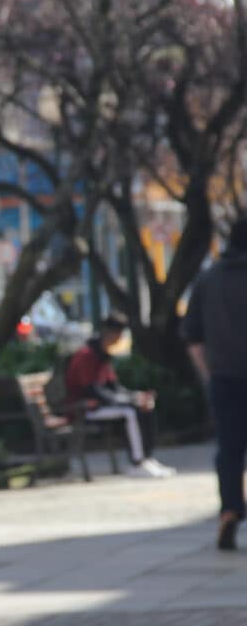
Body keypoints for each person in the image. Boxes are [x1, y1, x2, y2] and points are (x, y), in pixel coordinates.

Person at [183, 217, 247, 551]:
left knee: (230, 449)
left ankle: (230, 510)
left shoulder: (208, 280)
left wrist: (209, 374)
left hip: (224, 378)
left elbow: (193, 338)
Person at [65, 313, 175, 479]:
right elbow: (93, 391)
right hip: (84, 408)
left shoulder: (102, 355)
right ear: (112, 333)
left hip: (101, 404)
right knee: (130, 412)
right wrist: (130, 401)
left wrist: (136, 396)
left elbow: (114, 387)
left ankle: (147, 458)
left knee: (145, 406)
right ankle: (137, 462)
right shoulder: (86, 355)